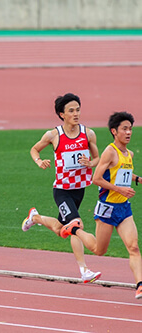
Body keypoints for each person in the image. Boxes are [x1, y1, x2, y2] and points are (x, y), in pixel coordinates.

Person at [22, 93, 102, 283]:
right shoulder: (53, 135)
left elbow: (98, 158)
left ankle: (35, 217)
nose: (76, 114)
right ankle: (84, 270)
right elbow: (34, 149)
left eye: (78, 110)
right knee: (75, 225)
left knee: (61, 229)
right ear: (61, 114)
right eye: (71, 111)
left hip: (79, 190)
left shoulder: (88, 133)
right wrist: (39, 161)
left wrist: (91, 163)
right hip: (62, 190)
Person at [61, 112, 142, 299]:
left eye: (130, 128)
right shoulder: (109, 151)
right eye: (124, 129)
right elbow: (96, 179)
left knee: (134, 247)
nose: (129, 132)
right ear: (114, 131)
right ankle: (75, 230)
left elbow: (121, 173)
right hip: (107, 208)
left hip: (123, 208)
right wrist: (120, 189)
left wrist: (137, 178)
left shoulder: (128, 153)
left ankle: (139, 284)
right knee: (99, 250)